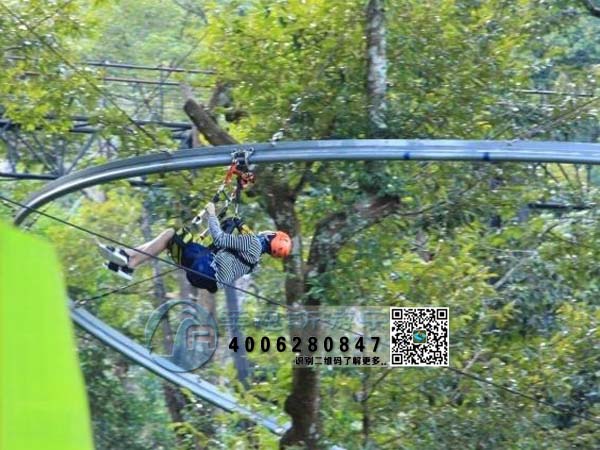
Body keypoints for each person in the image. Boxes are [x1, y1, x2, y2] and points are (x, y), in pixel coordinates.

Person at [98, 202, 292, 292]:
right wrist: (235, 224)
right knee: (169, 241)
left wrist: (212, 213)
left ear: (271, 236)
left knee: (172, 232)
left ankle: (128, 259)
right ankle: (128, 263)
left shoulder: (252, 243)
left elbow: (219, 239)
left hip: (204, 267)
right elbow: (226, 251)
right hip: (203, 278)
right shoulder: (254, 260)